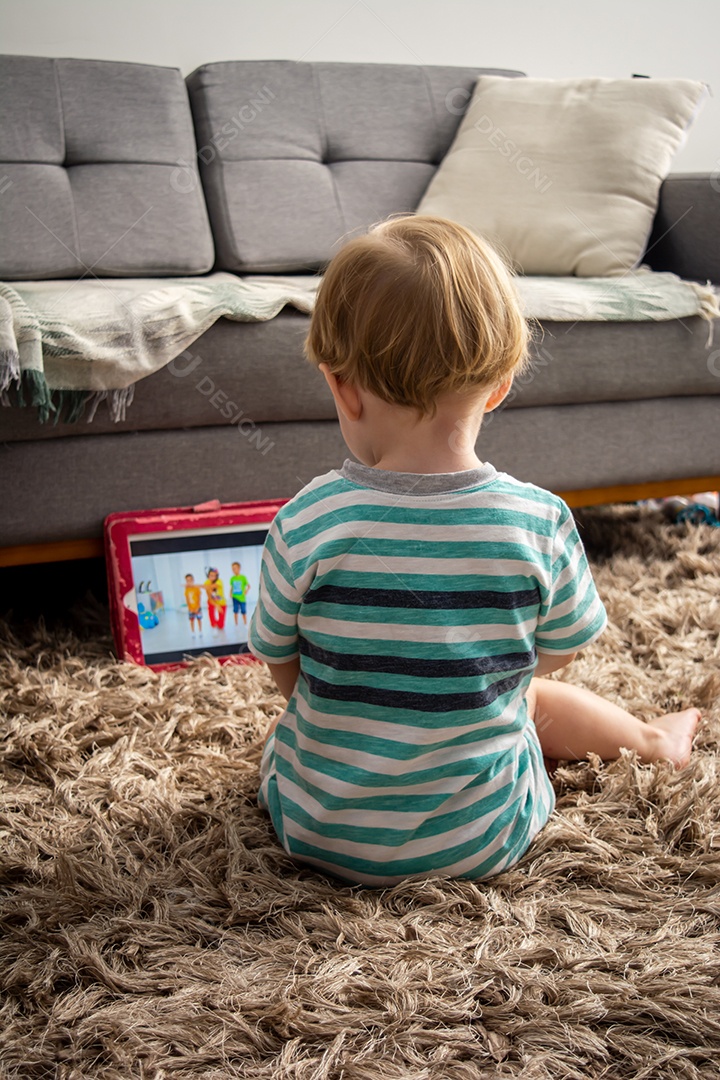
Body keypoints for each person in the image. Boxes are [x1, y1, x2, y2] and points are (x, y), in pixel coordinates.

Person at [248, 214, 700, 887]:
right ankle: (651, 742)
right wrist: (486, 673)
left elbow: (282, 660)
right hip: (482, 839)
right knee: (530, 695)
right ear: (500, 383)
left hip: (316, 831)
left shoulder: (306, 520)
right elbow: (560, 651)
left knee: (301, 730)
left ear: (341, 385)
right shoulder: (539, 521)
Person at [229, 561, 251, 626]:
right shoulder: (232, 578)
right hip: (235, 597)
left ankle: (245, 623)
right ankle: (236, 624)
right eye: (233, 569)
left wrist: (246, 591)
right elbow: (232, 587)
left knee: (243, 611)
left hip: (242, 598)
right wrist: (230, 593)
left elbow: (248, 586)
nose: (234, 570)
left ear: (239, 568)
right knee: (235, 611)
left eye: (235, 568)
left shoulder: (243, 577)